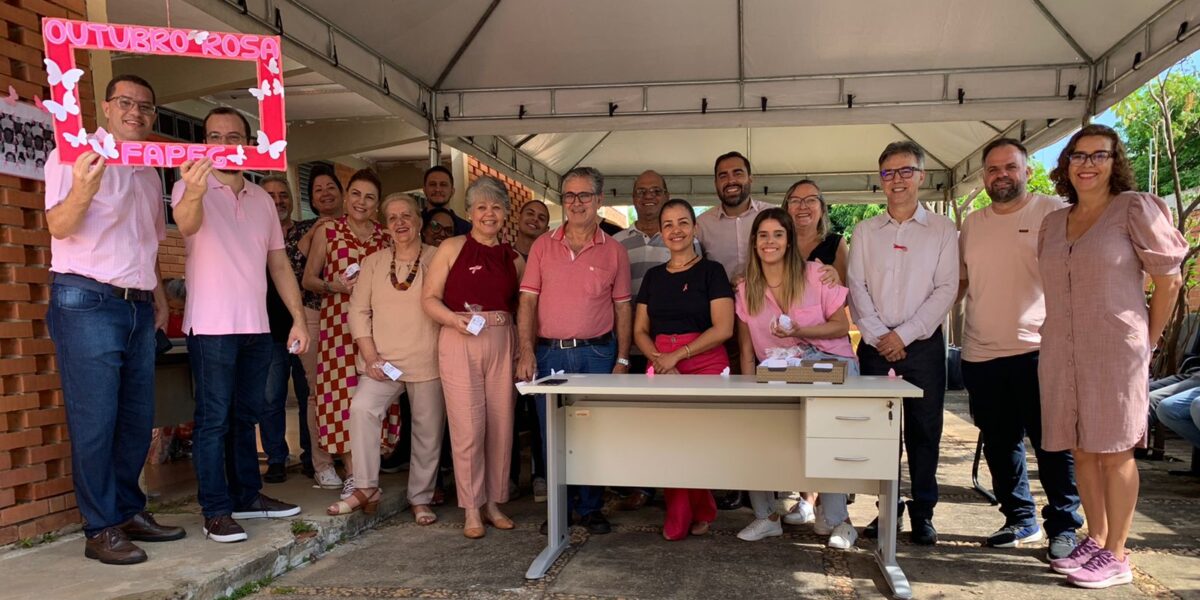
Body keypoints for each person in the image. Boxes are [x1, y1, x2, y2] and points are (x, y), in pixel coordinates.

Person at [44, 74, 185, 564]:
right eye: (125, 103)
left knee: (134, 419)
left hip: (138, 304)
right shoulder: (73, 153)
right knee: (95, 421)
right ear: (105, 108)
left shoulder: (149, 171)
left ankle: (127, 510)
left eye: (145, 106)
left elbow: (148, 239)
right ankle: (100, 526)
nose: (136, 113)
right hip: (85, 300)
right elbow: (57, 225)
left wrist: (159, 294)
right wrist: (84, 187)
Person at [1038, 124, 1185, 589]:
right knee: (1081, 447)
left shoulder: (1133, 208)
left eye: (1099, 155)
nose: (1087, 164)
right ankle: (1096, 538)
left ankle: (1118, 553)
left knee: (1115, 449)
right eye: (1078, 156)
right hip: (1063, 346)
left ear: (1114, 161)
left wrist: (1148, 338)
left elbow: (1170, 279)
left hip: (1114, 347)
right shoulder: (1053, 221)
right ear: (1066, 164)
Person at [171, 107, 308, 543]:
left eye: (233, 136)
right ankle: (216, 510)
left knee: (245, 416)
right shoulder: (187, 187)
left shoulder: (263, 199)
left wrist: (298, 319)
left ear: (248, 144)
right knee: (213, 420)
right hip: (210, 326)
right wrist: (193, 189)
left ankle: (247, 497)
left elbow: (279, 264)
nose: (223, 143)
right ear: (204, 143)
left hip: (256, 326)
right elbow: (186, 225)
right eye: (214, 136)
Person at [957, 138, 1082, 559]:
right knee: (999, 442)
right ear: (983, 177)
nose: (1001, 175)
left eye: (1010, 167)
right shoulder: (972, 224)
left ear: (1028, 171)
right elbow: (959, 283)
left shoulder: (1053, 213)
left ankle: (1064, 525)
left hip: (1038, 350)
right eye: (992, 170)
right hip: (980, 352)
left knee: (1053, 443)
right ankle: (1020, 518)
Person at [847, 140, 958, 546]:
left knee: (925, 432)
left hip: (924, 346)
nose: (897, 180)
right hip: (876, 346)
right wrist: (880, 336)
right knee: (881, 436)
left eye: (905, 171)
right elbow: (855, 287)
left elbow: (946, 289)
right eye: (889, 173)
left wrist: (905, 335)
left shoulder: (944, 230)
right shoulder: (865, 231)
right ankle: (886, 510)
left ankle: (924, 512)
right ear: (881, 180)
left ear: (921, 176)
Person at [517, 166, 633, 535]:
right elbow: (527, 303)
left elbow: (623, 308)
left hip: (597, 353)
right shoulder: (542, 245)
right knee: (554, 434)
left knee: (592, 433)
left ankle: (591, 506)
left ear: (599, 200)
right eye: (570, 195)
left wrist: (623, 358)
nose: (576, 202)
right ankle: (561, 508)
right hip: (549, 353)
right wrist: (525, 351)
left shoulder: (615, 251)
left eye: (584, 195)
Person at [734, 208, 859, 549]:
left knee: (826, 441)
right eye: (763, 235)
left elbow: (840, 325)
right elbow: (747, 348)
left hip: (830, 368)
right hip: (775, 375)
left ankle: (839, 522)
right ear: (755, 242)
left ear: (789, 241)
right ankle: (766, 517)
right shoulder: (746, 288)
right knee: (758, 437)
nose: (770, 241)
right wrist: (749, 391)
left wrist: (804, 330)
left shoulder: (817, 274)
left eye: (777, 234)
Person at [327, 194, 446, 522]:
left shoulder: (438, 257)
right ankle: (366, 486)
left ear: (420, 221)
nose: (400, 223)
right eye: (392, 218)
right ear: (386, 226)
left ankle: (420, 498)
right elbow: (358, 310)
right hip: (382, 361)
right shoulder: (374, 262)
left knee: (428, 430)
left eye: (406, 216)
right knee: (363, 409)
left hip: (428, 358)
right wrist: (371, 356)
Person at [423, 176, 525, 538]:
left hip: (502, 341)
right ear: (469, 212)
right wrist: (454, 320)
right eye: (481, 207)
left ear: (505, 213)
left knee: (500, 426)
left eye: (496, 206)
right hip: (458, 340)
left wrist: (523, 352)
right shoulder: (451, 248)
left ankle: (494, 502)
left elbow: (523, 308)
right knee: (468, 427)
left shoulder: (514, 257)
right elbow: (429, 299)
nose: (489, 213)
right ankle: (470, 508)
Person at [633, 199, 733, 540]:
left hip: (705, 362)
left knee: (698, 440)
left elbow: (724, 328)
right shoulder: (653, 277)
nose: (675, 230)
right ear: (661, 232)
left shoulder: (712, 271)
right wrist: (661, 360)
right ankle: (695, 507)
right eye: (668, 225)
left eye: (682, 223)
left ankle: (688, 510)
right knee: (667, 440)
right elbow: (639, 330)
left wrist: (680, 355)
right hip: (660, 363)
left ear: (694, 228)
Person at [302, 168, 393, 502]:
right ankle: (355, 475)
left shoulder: (386, 237)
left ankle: (369, 470)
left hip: (377, 328)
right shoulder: (330, 230)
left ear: (378, 204)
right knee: (341, 398)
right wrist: (334, 286)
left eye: (369, 197)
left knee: (374, 396)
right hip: (338, 326)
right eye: (356, 194)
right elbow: (308, 279)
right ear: (347, 195)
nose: (361, 202)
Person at [290, 164, 343, 486]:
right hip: (315, 313)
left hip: (351, 316)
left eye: (330, 187)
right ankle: (322, 462)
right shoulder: (301, 229)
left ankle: (352, 458)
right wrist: (314, 233)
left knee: (351, 390)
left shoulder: (357, 228)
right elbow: (294, 269)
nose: (325, 193)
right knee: (318, 391)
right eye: (318, 190)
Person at [260, 174, 309, 484]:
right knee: (270, 397)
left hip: (304, 325)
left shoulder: (307, 230)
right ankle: (276, 457)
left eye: (283, 195)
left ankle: (311, 455)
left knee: (309, 395)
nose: (277, 201)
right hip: (267, 327)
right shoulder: (252, 231)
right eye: (270, 195)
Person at [510, 198, 551, 501]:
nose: (534, 220)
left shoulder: (549, 256)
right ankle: (509, 477)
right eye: (530, 213)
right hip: (502, 340)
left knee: (539, 413)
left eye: (541, 217)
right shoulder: (502, 253)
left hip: (540, 341)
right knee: (506, 413)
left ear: (547, 227)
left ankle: (541, 476)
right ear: (518, 217)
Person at [696, 151, 772, 282]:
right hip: (721, 301)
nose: (731, 180)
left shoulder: (772, 214)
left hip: (770, 299)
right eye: (723, 176)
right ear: (715, 183)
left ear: (750, 178)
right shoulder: (702, 224)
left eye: (737, 173)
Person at [785, 179, 848, 283]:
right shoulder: (776, 244)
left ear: (822, 208)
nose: (803, 206)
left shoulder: (836, 243)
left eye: (811, 200)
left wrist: (837, 280)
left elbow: (848, 291)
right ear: (786, 209)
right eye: (795, 200)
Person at [422, 165, 471, 235]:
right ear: (424, 190)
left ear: (452, 191)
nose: (437, 189)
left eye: (443, 184)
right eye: (432, 184)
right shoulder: (413, 224)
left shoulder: (466, 229)